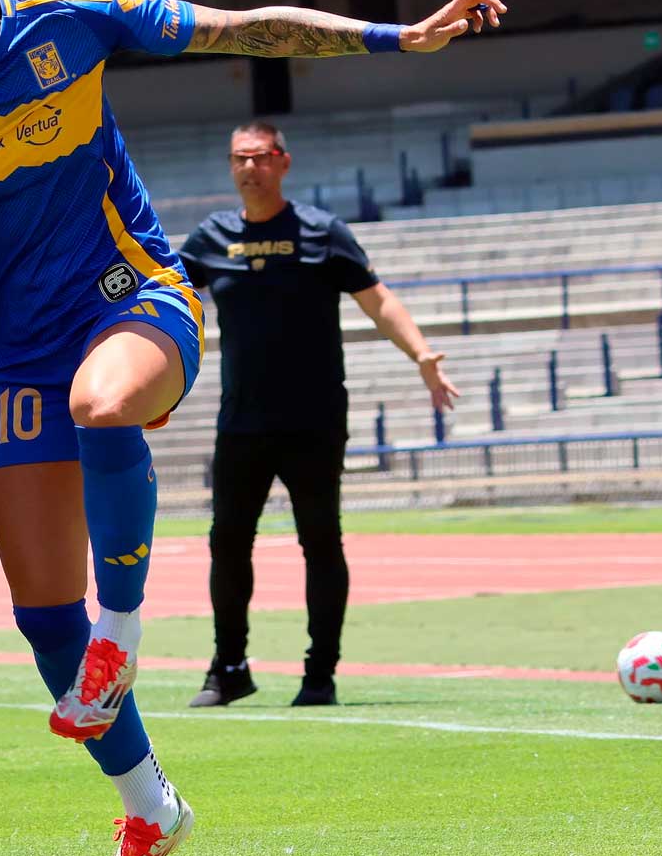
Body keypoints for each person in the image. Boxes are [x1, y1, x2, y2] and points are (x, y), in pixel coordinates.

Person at [0, 0, 504, 856]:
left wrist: (395, 37)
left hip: (136, 298)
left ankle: (127, 633)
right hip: (19, 348)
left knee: (101, 411)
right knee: (41, 619)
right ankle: (152, 813)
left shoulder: (75, 19)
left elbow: (244, 27)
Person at [178, 121, 460, 709]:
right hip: (242, 421)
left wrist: (422, 354)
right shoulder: (210, 239)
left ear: (283, 162)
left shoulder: (321, 232)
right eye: (238, 159)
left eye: (259, 157)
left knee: (320, 543)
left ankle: (320, 674)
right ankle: (229, 667)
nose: (248, 168)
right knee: (228, 542)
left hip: (314, 418)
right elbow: (166, 293)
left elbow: (377, 299)